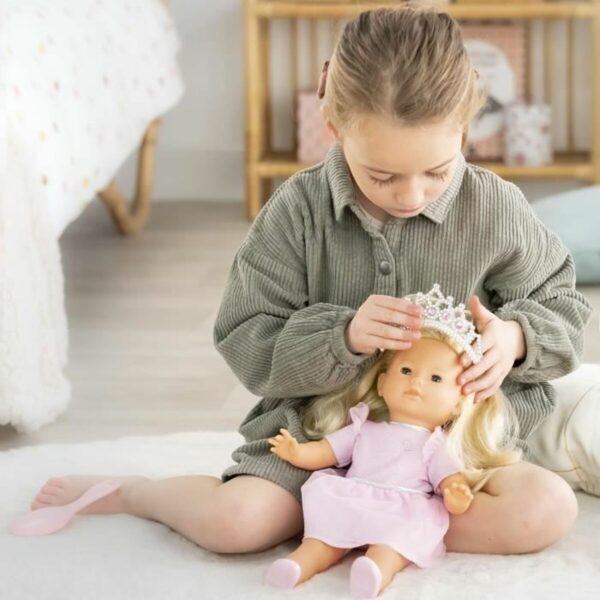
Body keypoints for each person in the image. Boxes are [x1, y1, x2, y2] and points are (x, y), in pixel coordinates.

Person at [30, 5, 592, 559]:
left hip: (450, 446)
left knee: (544, 509)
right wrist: (341, 338)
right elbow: (246, 337)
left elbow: (561, 305)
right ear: (334, 126)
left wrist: (515, 338)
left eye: (437, 172)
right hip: (319, 435)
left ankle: (354, 521)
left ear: (464, 128)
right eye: (382, 175)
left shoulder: (495, 207)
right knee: (234, 523)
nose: (412, 195)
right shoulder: (297, 210)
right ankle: (137, 493)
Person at [263, 286, 521, 598]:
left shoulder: (435, 445)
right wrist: (297, 452)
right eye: (407, 370)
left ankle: (375, 571)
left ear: (459, 402)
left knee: (394, 545)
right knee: (323, 537)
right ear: (383, 383)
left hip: (404, 508)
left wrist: (456, 493)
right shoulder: (363, 427)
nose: (417, 382)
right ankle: (299, 564)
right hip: (354, 496)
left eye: (435, 378)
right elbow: (327, 451)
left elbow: (449, 480)